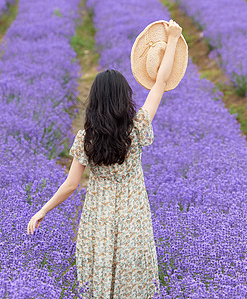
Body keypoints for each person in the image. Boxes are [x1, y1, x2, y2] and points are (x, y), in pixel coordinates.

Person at [27, 20, 182, 298]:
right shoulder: (138, 128)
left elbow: (71, 185)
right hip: (133, 217)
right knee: (132, 282)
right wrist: (172, 40)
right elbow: (160, 82)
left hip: (98, 219)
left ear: (94, 101)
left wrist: (43, 210)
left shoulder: (86, 139)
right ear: (125, 98)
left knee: (98, 283)